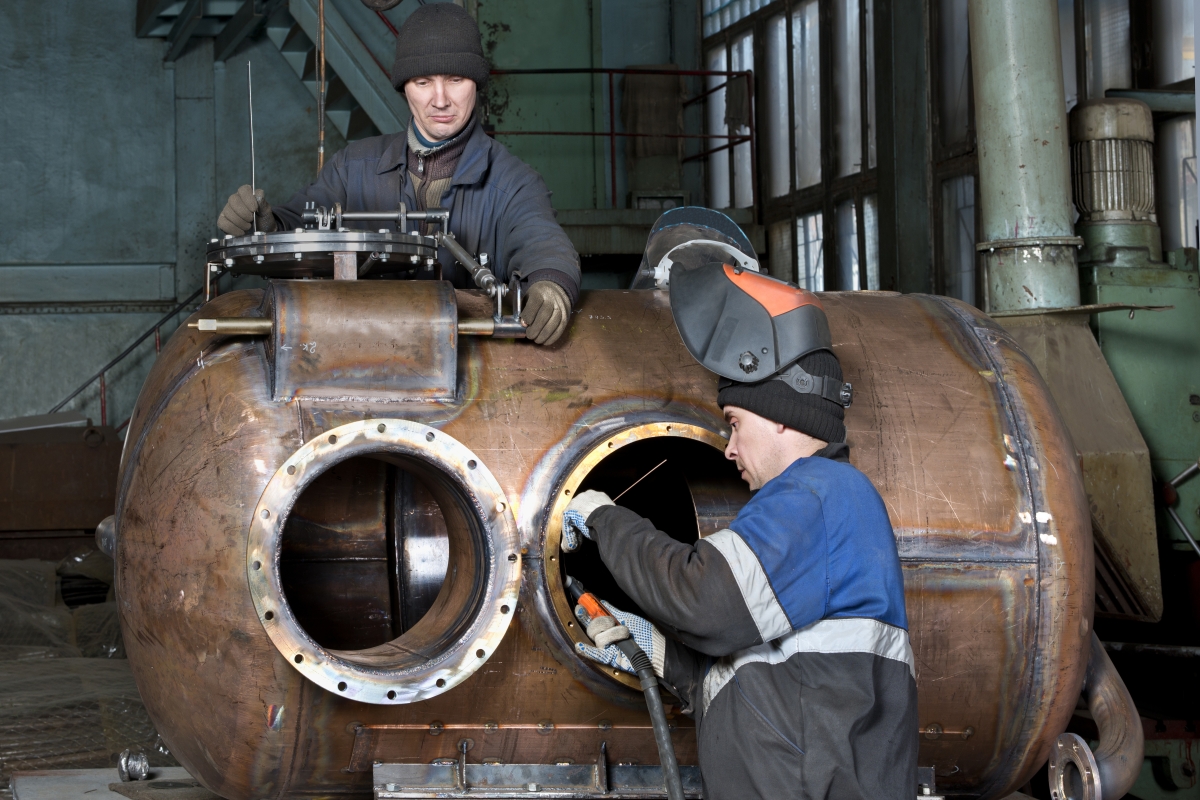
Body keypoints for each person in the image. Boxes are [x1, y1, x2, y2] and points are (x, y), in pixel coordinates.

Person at [560, 260, 918, 799]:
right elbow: (769, 688)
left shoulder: (821, 494)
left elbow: (705, 600)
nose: (729, 448)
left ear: (778, 414)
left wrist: (602, 518)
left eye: (734, 422)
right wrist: (660, 654)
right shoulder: (815, 505)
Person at [216, 3, 579, 345]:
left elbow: (542, 242)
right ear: (405, 88)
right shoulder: (352, 168)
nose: (440, 100)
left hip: (469, 378)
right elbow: (298, 228)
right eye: (423, 82)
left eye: (455, 80)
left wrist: (551, 286)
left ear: (477, 84)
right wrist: (265, 227)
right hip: (359, 359)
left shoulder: (513, 184)